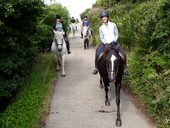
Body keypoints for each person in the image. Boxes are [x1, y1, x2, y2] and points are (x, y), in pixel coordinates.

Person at [92, 10, 130, 76]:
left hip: (114, 43)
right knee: (98, 52)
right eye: (103, 17)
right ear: (101, 19)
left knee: (123, 53)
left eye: (105, 17)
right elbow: (101, 37)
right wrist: (105, 43)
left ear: (108, 17)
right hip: (105, 44)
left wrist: (114, 41)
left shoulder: (113, 25)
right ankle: (96, 68)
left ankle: (124, 69)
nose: (104, 18)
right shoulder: (101, 28)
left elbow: (116, 34)